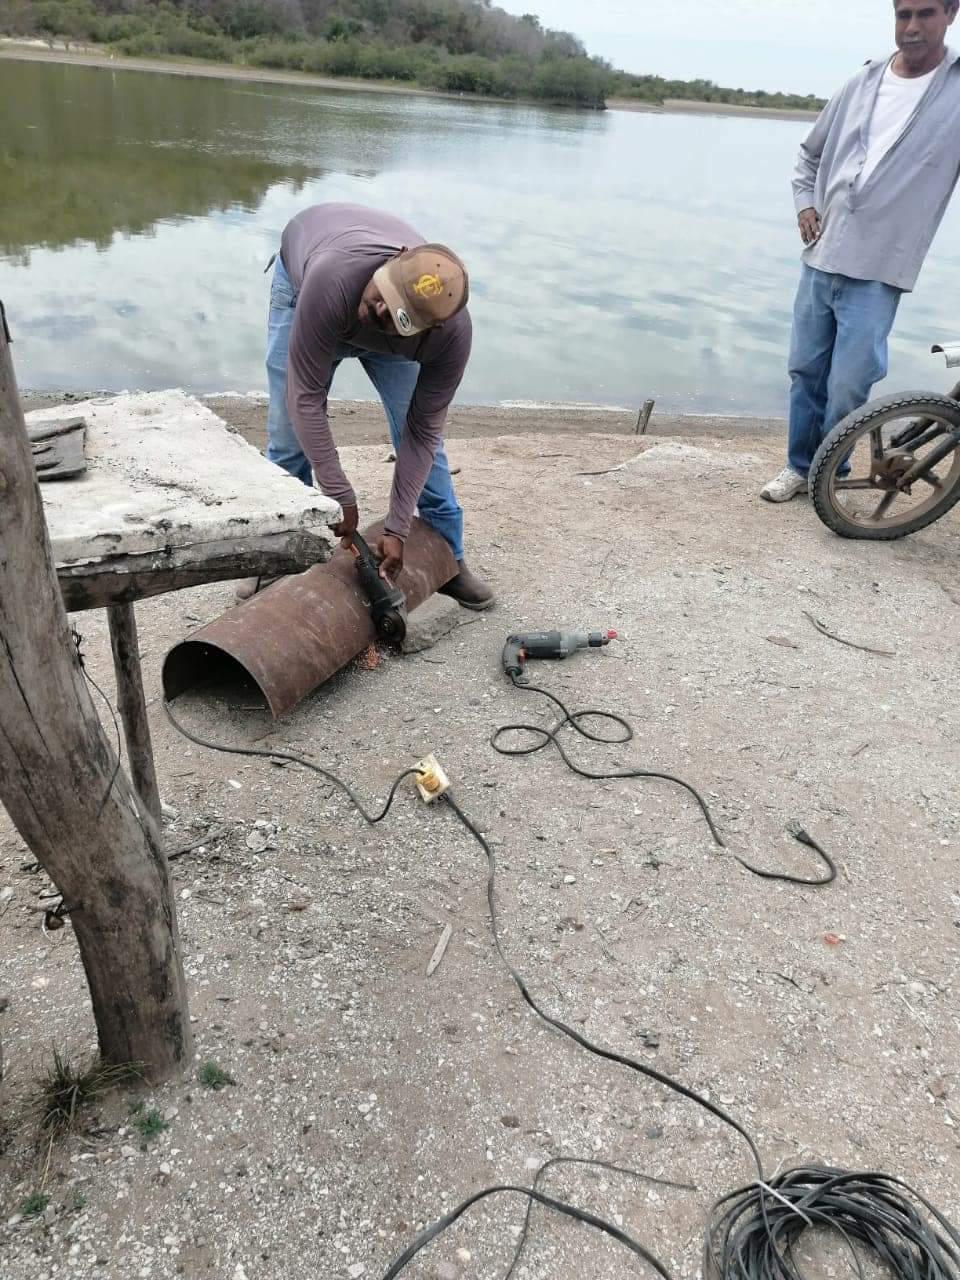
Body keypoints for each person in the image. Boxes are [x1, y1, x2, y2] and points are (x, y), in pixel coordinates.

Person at [237, 202, 494, 609]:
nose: (378, 311)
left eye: (396, 316)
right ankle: (279, 556)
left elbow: (422, 432)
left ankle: (449, 554)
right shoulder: (331, 279)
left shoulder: (450, 339)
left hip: (393, 334)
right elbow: (305, 397)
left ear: (429, 329)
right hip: (308, 290)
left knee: (422, 436)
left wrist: (398, 527)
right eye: (383, 295)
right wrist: (340, 493)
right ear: (393, 262)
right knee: (288, 437)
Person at [762, 0, 960, 503]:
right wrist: (804, 204)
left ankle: (830, 471)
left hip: (880, 269)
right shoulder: (862, 81)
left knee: (851, 383)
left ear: (952, 13)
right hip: (821, 255)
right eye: (903, 14)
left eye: (925, 14)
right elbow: (808, 154)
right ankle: (798, 468)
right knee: (805, 370)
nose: (911, 27)